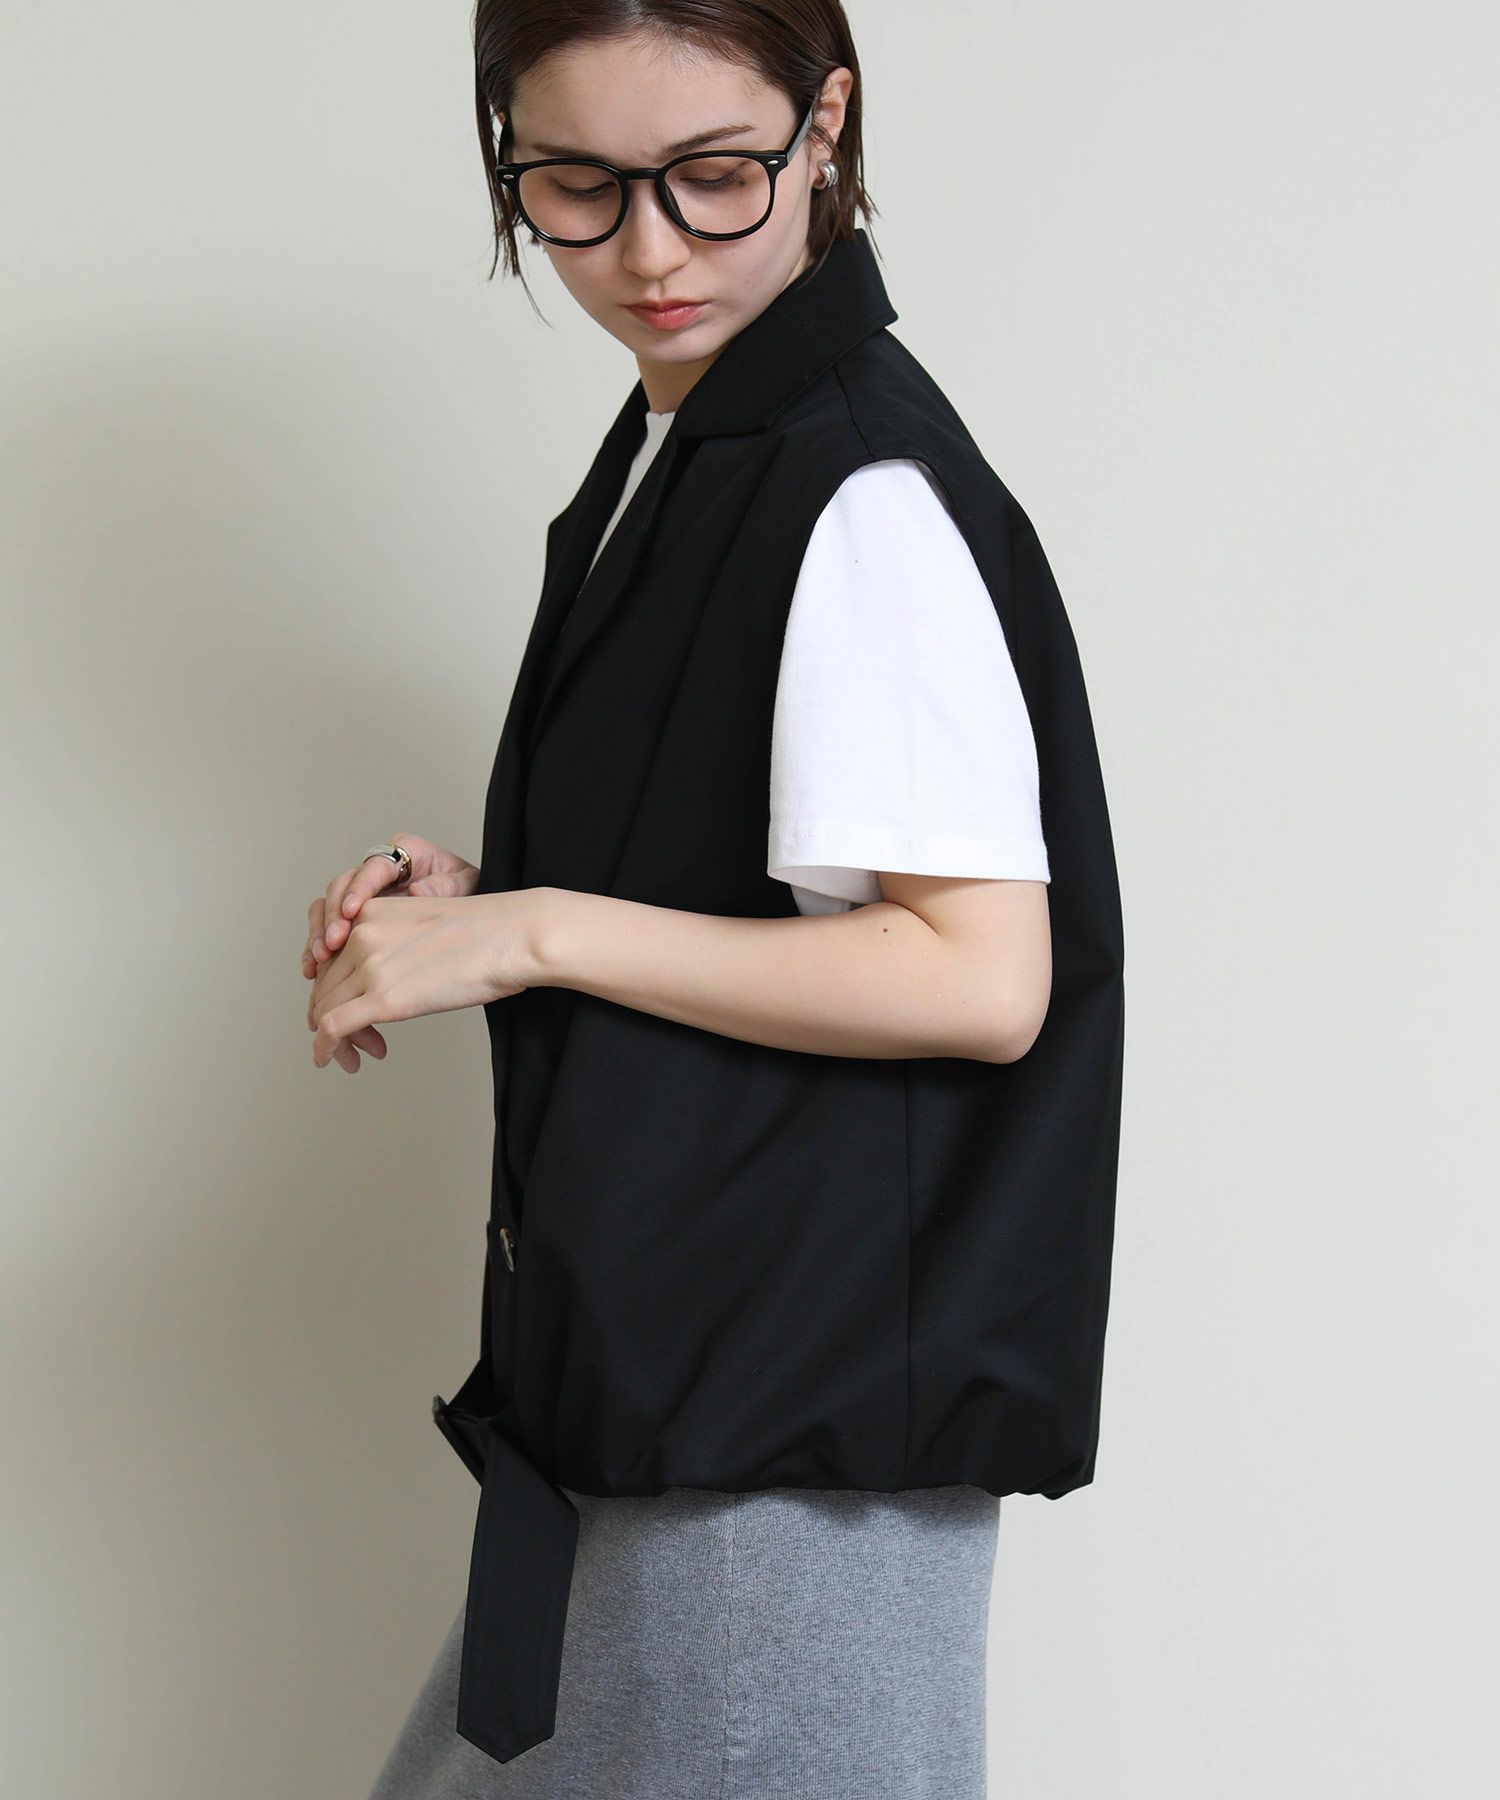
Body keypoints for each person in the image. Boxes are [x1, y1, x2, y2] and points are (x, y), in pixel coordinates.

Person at [302, 6, 1124, 1796]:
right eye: (578, 186)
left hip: (779, 1466)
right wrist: (482, 906)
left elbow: (982, 975)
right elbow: (769, 891)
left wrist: (533, 930)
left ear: (827, 126)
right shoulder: (694, 446)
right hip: (667, 1401)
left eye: (713, 175)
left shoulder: (857, 488)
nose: (651, 248)